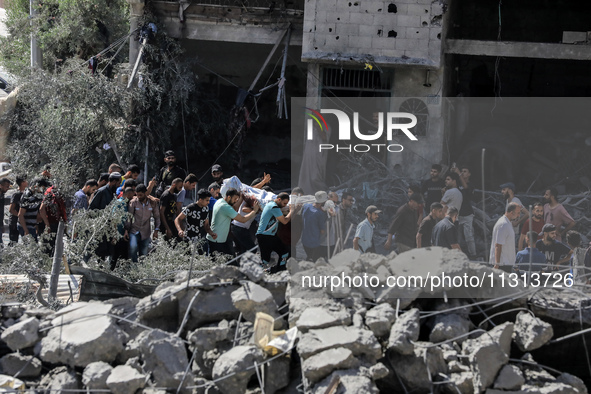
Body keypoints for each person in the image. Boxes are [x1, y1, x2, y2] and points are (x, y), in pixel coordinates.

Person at [207, 188, 260, 258]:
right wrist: (254, 211)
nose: (236, 201)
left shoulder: (220, 201)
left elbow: (234, 208)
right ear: (229, 197)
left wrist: (241, 197)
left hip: (217, 238)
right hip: (217, 240)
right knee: (221, 262)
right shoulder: (225, 207)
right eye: (235, 199)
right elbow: (243, 219)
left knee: (229, 261)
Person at [256, 192, 293, 272]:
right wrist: (291, 211)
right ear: (279, 199)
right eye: (284, 203)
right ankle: (257, 273)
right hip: (265, 236)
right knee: (265, 260)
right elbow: (285, 221)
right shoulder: (274, 207)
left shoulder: (271, 205)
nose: (284, 205)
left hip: (271, 236)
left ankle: (280, 270)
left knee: (284, 252)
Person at [125, 184, 160, 262]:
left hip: (145, 231)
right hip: (134, 230)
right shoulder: (133, 202)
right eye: (137, 195)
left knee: (143, 253)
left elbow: (157, 217)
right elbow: (129, 217)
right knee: (133, 247)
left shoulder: (152, 203)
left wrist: (156, 230)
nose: (139, 197)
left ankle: (141, 270)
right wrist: (126, 230)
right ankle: (133, 266)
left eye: (140, 195)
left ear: (145, 193)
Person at [175, 189, 215, 254]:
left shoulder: (206, 209)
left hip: (199, 240)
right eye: (207, 200)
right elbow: (177, 219)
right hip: (188, 238)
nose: (208, 202)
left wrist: (212, 233)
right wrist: (180, 230)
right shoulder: (190, 207)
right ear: (200, 200)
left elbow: (206, 225)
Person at [489, 202, 521, 271]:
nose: (519, 215)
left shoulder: (507, 223)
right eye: (518, 213)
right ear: (511, 213)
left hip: (506, 263)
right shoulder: (503, 224)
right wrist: (497, 264)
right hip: (502, 264)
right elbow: (498, 245)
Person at [301, 191, 329, 261]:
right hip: (314, 242)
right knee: (315, 260)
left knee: (309, 257)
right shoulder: (319, 213)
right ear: (323, 202)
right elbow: (322, 231)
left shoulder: (306, 206)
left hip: (304, 240)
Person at [455, 166, 476, 259]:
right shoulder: (457, 183)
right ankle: (459, 255)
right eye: (461, 171)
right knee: (458, 238)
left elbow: (466, 187)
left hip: (467, 214)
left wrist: (458, 173)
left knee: (469, 237)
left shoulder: (470, 185)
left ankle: (473, 255)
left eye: (465, 171)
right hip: (458, 214)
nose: (462, 173)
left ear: (469, 174)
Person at [9, 176, 27, 245]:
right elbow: (11, 210)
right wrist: (20, 216)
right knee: (13, 243)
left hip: (22, 222)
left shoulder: (25, 194)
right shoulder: (16, 194)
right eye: (25, 181)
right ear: (22, 183)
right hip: (14, 222)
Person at [0, 177, 12, 244]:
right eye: (6, 186)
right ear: (0, 185)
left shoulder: (2, 195)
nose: (7, 188)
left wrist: (2, 225)